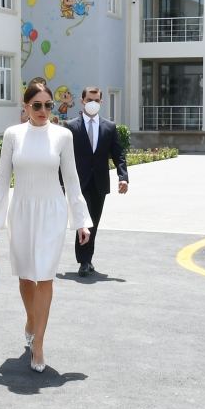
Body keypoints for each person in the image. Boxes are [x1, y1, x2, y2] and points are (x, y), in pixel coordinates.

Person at [0, 81, 92, 373]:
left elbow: (71, 179)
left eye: (48, 105)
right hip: (21, 212)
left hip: (52, 213)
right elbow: (2, 179)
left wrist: (81, 221)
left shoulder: (62, 136)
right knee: (25, 277)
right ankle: (32, 320)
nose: (43, 110)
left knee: (44, 276)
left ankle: (39, 344)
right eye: (37, 105)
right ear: (26, 106)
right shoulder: (13, 135)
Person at [65, 86, 129, 277]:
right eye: (89, 100)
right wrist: (60, 182)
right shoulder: (71, 126)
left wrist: (123, 177)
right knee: (83, 221)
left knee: (93, 221)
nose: (92, 103)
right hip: (79, 182)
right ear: (82, 101)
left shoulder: (109, 127)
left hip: (99, 183)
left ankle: (88, 258)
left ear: (101, 102)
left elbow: (119, 154)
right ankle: (83, 261)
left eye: (96, 100)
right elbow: (63, 156)